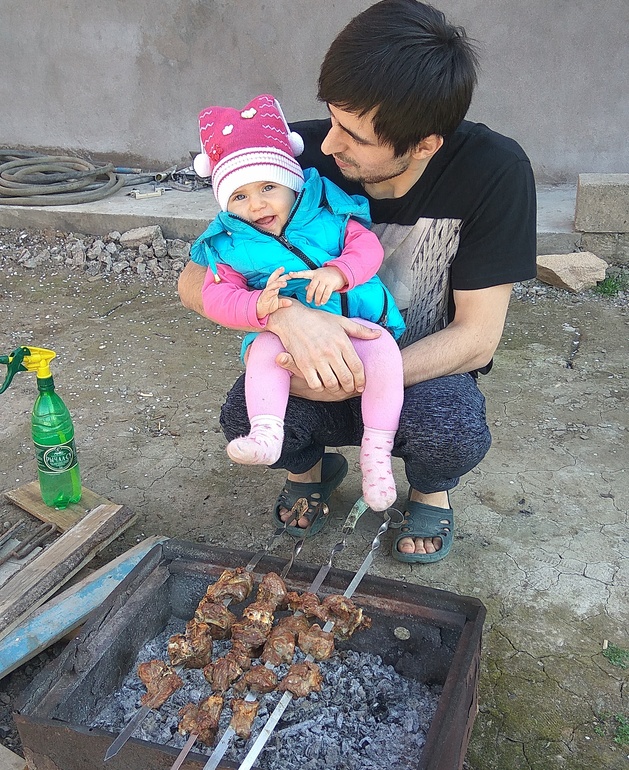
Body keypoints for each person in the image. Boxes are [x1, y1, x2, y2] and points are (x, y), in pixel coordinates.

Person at [178, 0, 537, 563]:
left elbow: (476, 339)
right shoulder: (289, 159)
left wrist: (359, 377)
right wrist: (287, 317)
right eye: (333, 118)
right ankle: (312, 471)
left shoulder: (493, 173)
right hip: (309, 366)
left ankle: (429, 490)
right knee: (244, 418)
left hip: (414, 374)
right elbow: (192, 282)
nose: (328, 145)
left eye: (354, 135)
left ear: (424, 145)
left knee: (453, 430)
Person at [190, 93, 406, 520]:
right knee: (263, 353)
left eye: (268, 188)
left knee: (385, 353)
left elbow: (367, 248)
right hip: (287, 338)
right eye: (239, 196)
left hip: (358, 324)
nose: (256, 205)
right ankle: (267, 433)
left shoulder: (327, 215)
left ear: (292, 183)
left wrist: (339, 273)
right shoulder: (228, 245)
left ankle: (377, 453)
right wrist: (259, 305)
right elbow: (215, 295)